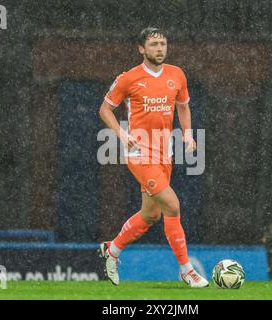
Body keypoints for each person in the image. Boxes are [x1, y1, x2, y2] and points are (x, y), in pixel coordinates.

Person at [98, 27, 208, 288]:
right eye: (154, 44)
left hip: (164, 152)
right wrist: (122, 136)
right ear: (141, 49)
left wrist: (188, 135)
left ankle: (111, 250)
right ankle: (186, 270)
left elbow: (183, 106)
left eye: (163, 44)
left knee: (150, 215)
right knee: (172, 205)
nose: (160, 48)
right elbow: (104, 109)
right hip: (139, 153)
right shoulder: (129, 78)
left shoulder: (177, 74)